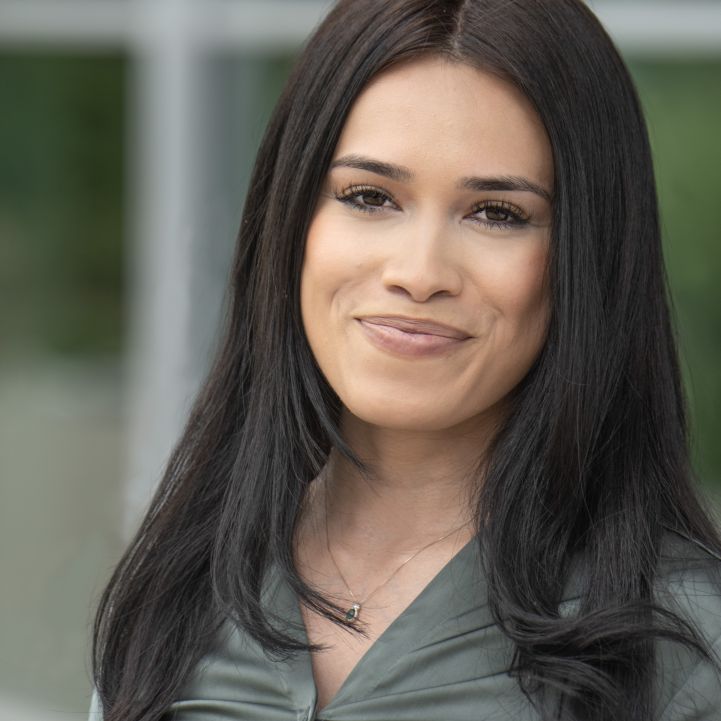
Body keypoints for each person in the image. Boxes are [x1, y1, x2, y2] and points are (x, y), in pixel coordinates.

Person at [89, 1, 721, 719]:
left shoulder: (679, 644)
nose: (419, 273)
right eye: (369, 197)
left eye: (495, 212)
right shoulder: (181, 584)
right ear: (291, 218)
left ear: (587, 257)